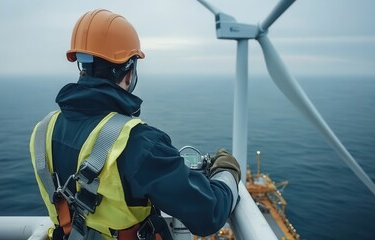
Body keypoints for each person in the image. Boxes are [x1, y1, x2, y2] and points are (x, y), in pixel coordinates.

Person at [29, 8, 241, 240]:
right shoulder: (137, 143)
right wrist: (226, 171)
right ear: (129, 73)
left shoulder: (43, 130)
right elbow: (208, 214)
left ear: (81, 66)